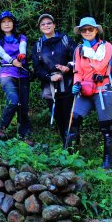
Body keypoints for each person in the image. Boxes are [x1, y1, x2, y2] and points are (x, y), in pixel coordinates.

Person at [68, 17, 112, 169]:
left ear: (96, 30)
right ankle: (71, 160)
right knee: (73, 122)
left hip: (103, 90)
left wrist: (88, 51)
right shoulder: (78, 50)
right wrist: (76, 83)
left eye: (90, 29)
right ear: (81, 32)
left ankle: (108, 164)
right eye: (84, 30)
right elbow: (77, 70)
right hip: (84, 91)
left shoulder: (106, 47)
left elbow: (100, 65)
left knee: (107, 127)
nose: (87, 32)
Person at [31, 14, 76, 144]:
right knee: (58, 118)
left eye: (49, 23)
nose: (46, 26)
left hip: (68, 85)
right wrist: (49, 77)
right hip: (49, 88)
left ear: (54, 25)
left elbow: (76, 58)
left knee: (70, 118)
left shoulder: (65, 39)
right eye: (43, 24)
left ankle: (73, 147)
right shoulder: (38, 45)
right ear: (40, 28)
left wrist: (68, 67)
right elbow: (37, 68)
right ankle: (65, 146)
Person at [0, 11, 33, 145]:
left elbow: (23, 48)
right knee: (13, 100)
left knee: (24, 105)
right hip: (7, 72)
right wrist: (12, 60)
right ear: (0, 25)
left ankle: (24, 134)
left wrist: (21, 56)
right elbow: (1, 52)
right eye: (3, 22)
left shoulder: (21, 37)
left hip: (22, 73)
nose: (7, 23)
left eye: (9, 21)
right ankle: (0, 127)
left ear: (13, 23)